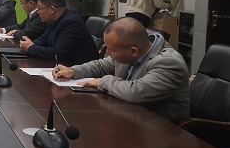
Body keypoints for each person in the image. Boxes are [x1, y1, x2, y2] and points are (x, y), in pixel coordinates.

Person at [53, 17, 189, 122]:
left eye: (111, 50)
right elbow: (101, 65)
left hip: (159, 132)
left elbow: (136, 92)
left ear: (133, 51)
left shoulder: (169, 63)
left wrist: (103, 81)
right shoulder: (130, 52)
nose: (108, 54)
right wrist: (73, 71)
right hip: (128, 118)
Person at [20, 0, 99, 65]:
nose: (38, 12)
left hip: (79, 70)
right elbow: (44, 40)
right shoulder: (53, 20)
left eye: (39, 9)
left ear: (52, 9)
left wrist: (31, 48)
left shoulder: (71, 22)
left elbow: (59, 54)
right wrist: (28, 44)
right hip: (63, 67)